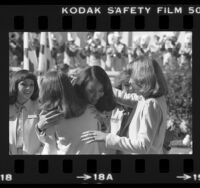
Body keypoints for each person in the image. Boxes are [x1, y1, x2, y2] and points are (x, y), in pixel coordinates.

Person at [81, 56, 169, 154]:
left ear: (142, 77)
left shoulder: (151, 104)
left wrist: (107, 137)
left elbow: (143, 146)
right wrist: (102, 84)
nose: (130, 81)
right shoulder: (152, 99)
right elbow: (125, 97)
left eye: (132, 76)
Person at [36, 70, 102, 154]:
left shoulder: (51, 117)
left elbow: (50, 150)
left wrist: (39, 129)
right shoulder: (91, 110)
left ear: (46, 91)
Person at [9, 70, 42, 154]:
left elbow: (47, 140)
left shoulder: (40, 108)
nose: (28, 88)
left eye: (31, 85)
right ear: (15, 85)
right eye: (24, 84)